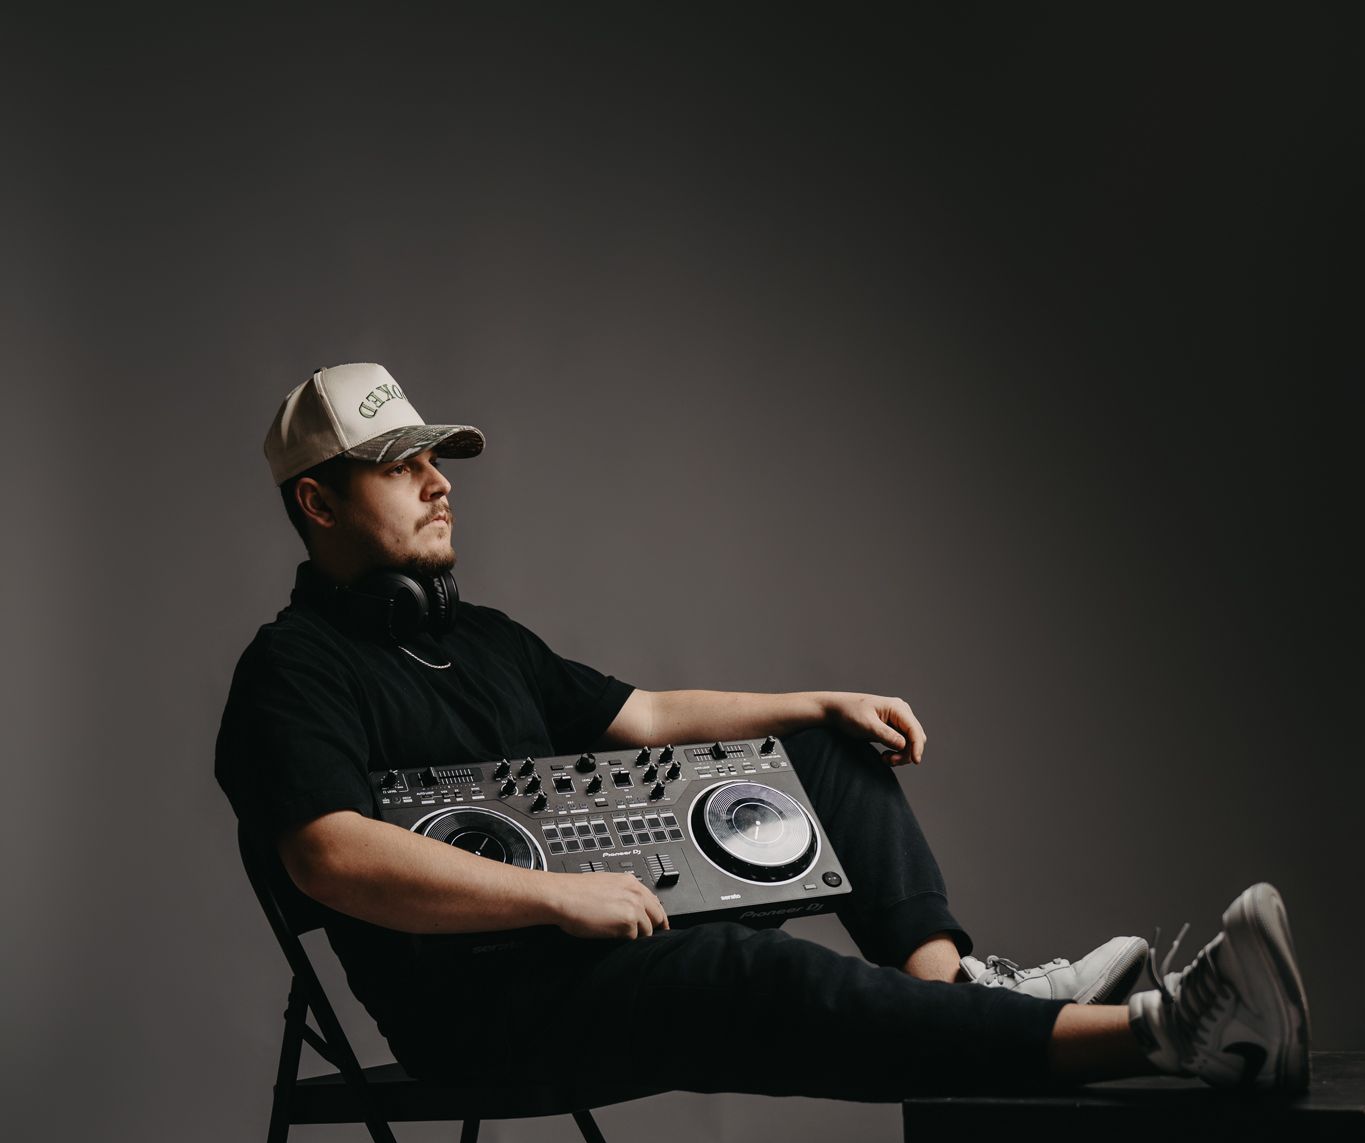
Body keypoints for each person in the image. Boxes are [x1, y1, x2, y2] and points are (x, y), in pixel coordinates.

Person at [214, 361, 1312, 1103]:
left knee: (818, 751)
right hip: (478, 1021)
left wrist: (817, 704)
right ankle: (1176, 1035)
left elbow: (642, 717)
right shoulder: (292, 670)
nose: (437, 480)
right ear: (318, 501)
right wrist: (559, 893)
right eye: (400, 464)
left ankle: (949, 988)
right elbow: (328, 853)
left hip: (589, 952)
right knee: (748, 972)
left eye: (434, 457)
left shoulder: (488, 636)